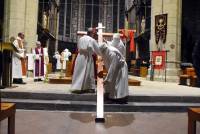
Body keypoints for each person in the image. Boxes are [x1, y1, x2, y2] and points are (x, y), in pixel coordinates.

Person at [71, 28, 101, 93]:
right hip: (87, 57)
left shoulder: (80, 39)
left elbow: (78, 48)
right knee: (89, 73)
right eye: (94, 34)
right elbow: (98, 50)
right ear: (91, 33)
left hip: (79, 57)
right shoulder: (92, 40)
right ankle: (88, 88)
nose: (94, 35)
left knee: (78, 72)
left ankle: (76, 87)